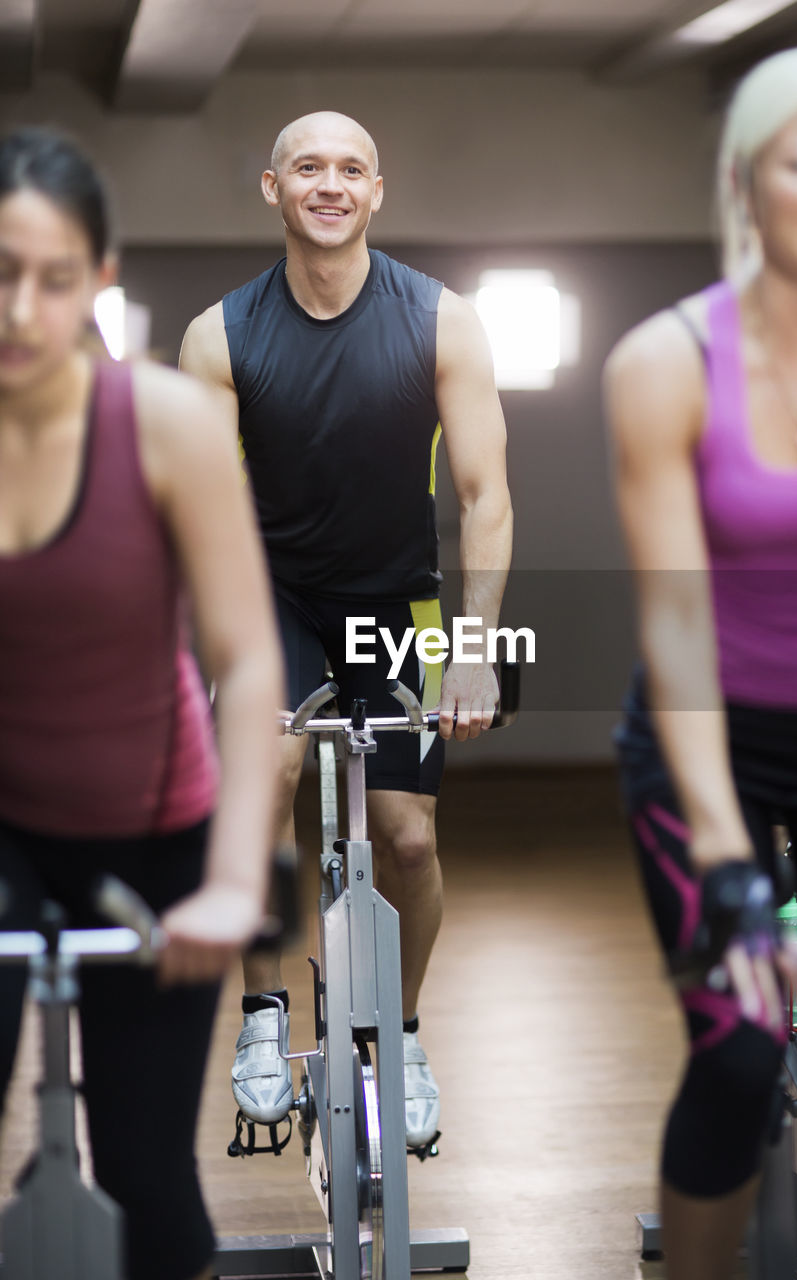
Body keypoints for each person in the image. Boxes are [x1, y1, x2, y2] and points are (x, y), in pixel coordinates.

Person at [180, 110, 513, 1148]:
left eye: (352, 169)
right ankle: (263, 1015)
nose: (331, 184)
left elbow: (485, 495)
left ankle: (402, 1032)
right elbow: (191, 506)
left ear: (379, 191)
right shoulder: (219, 335)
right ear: (273, 188)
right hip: (267, 592)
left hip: (394, 599)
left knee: (408, 835)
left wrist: (472, 649)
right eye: (309, 167)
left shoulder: (441, 319)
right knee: (270, 776)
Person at [0, 127, 283, 1280]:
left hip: (156, 832)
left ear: (101, 279)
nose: (21, 309)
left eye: (54, 278)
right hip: (8, 819)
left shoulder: (163, 424)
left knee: (148, 1180)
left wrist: (231, 879)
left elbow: (250, 655)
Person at [604, 44, 797, 1280]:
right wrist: (724, 854)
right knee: (742, 1045)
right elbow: (679, 618)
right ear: (744, 182)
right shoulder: (665, 362)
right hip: (708, 736)